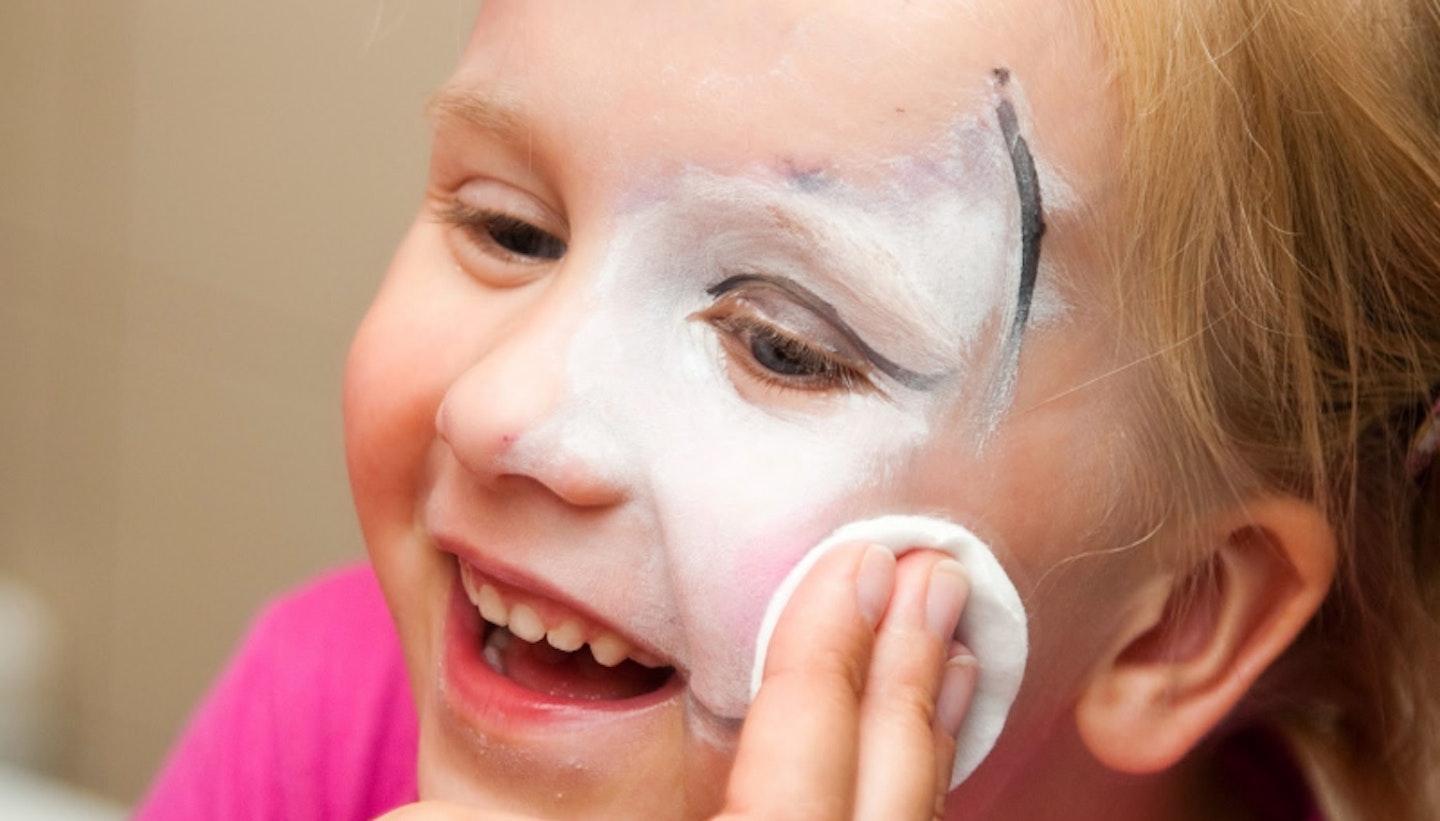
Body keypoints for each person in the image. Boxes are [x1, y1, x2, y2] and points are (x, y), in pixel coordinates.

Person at [135, 1, 1440, 819]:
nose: (501, 409)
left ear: (1180, 612)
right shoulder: (327, 710)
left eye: (781, 344)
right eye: (510, 229)